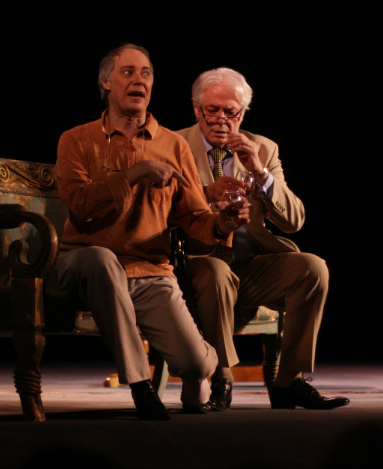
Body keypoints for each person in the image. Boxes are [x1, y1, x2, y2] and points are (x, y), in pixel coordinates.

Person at [49, 45, 250, 419]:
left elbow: (194, 216)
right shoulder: (76, 139)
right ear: (106, 83)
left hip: (150, 272)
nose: (139, 80)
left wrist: (226, 222)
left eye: (146, 73)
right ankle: (141, 387)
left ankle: (201, 367)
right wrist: (135, 173)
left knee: (195, 363)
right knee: (103, 260)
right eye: (127, 72)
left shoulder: (173, 144)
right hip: (83, 263)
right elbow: (79, 204)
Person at [175, 67, 349, 410]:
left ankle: (289, 381)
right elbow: (158, 209)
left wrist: (260, 171)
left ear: (242, 113)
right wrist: (206, 195)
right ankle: (222, 377)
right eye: (212, 110)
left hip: (248, 266)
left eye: (230, 112)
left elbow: (294, 221)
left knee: (312, 268)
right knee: (215, 272)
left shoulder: (263, 148)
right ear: (196, 109)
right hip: (195, 265)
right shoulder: (174, 145)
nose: (221, 120)